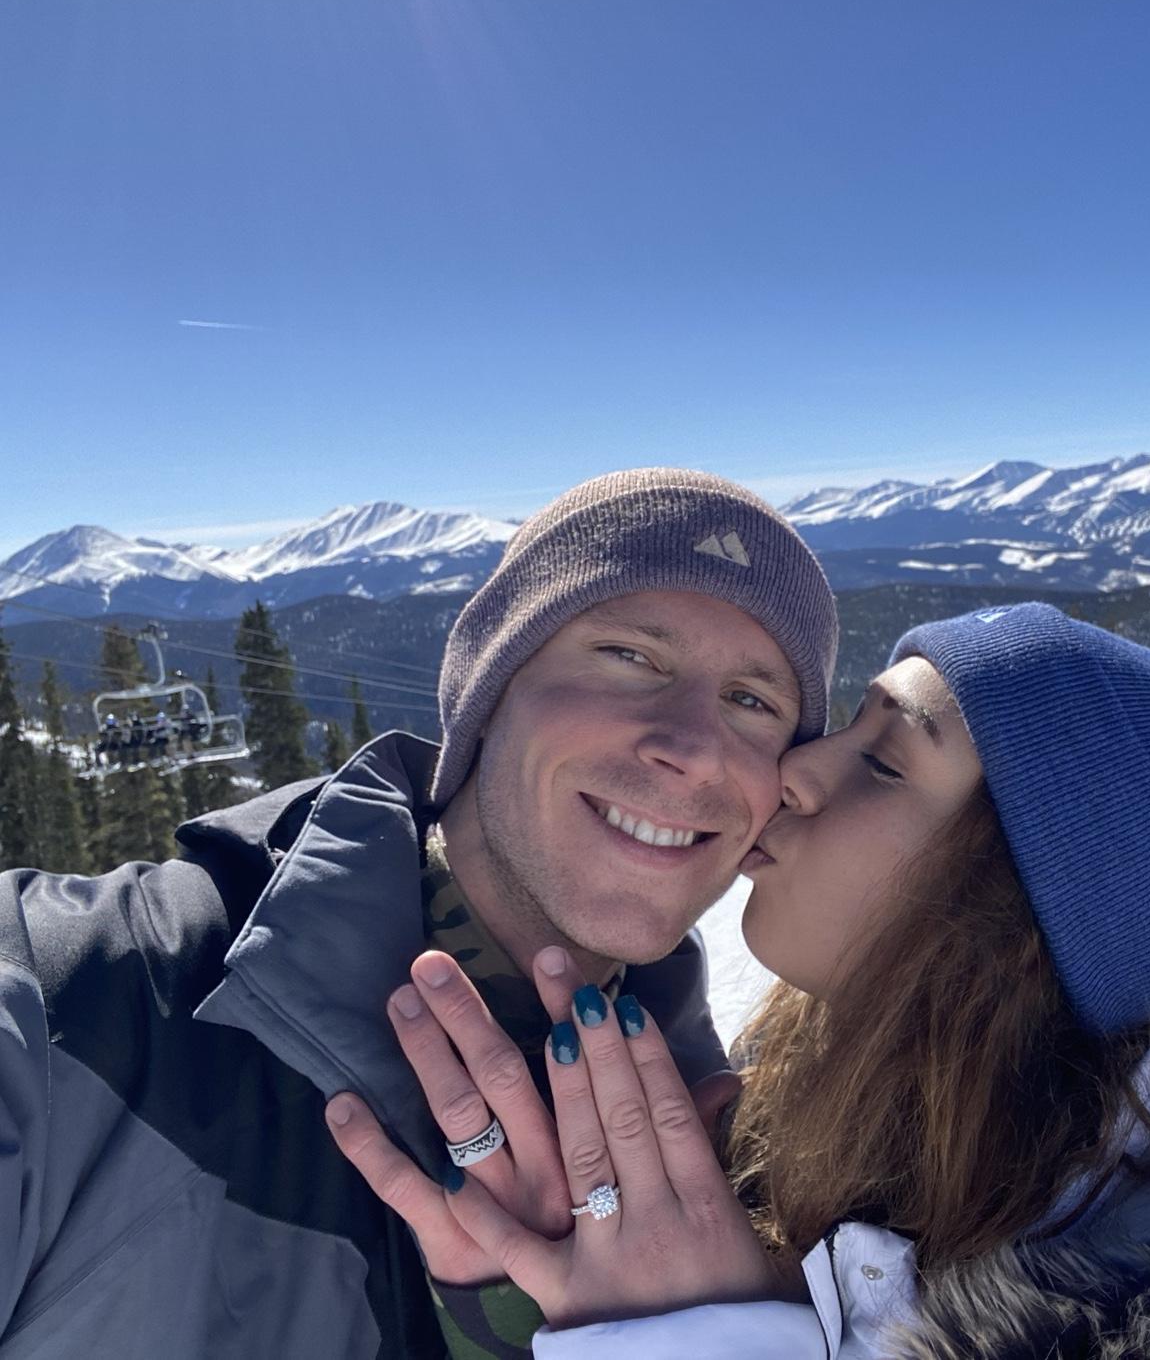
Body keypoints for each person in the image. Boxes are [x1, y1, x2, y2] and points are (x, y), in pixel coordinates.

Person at [339, 604, 1150, 1359]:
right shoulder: (840, 1135)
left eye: (883, 759)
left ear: (1015, 909)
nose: (798, 771)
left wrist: (700, 1337)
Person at [0, 468, 838, 1358]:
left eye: (754, 702)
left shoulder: (741, 1158)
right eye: (629, 657)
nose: (693, 752)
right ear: (490, 690)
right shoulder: (80, 1004)